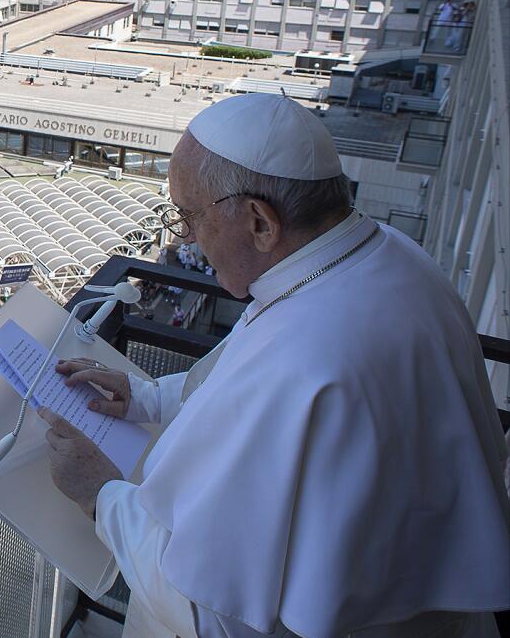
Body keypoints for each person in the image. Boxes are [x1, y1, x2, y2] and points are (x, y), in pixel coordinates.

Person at [43, 94, 510, 638]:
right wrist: (145, 396)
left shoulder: (306, 355)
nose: (186, 238)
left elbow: (211, 615)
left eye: (189, 217)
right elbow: (242, 375)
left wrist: (99, 493)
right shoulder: (386, 257)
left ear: (261, 223)